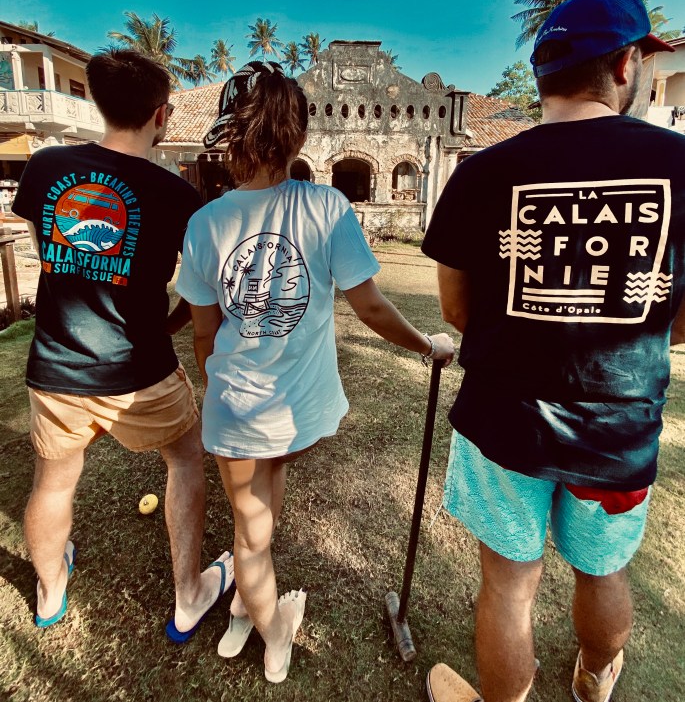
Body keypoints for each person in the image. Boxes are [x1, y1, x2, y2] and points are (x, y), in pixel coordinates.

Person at [421, 0, 681, 702]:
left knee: (509, 587)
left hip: (503, 419)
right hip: (618, 427)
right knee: (603, 569)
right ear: (625, 65)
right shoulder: (680, 164)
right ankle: (594, 676)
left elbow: (456, 308)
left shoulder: (479, 173)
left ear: (542, 77)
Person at [175, 60, 455, 683]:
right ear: (297, 136)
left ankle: (249, 604)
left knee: (253, 527)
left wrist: (221, 388)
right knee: (254, 534)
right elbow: (372, 308)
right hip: (294, 409)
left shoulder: (205, 223)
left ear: (231, 132)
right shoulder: (326, 206)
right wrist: (427, 346)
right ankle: (275, 635)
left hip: (238, 409)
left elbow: (202, 332)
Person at [13, 49, 232, 637]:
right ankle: (189, 594)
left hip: (56, 365)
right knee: (186, 458)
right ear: (162, 115)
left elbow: (45, 251)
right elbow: (199, 293)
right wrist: (169, 326)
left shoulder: (45, 166)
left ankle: (50, 591)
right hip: (140, 368)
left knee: (53, 480)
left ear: (97, 103)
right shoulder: (176, 195)